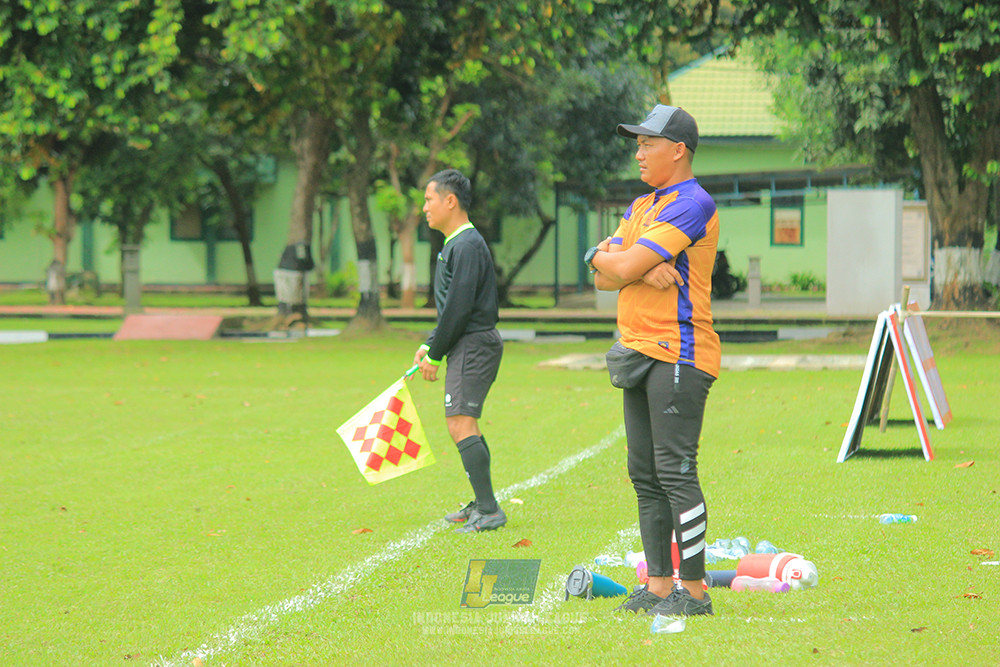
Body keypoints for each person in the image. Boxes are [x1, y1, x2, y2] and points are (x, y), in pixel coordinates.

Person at [585, 105, 721, 617]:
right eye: (637, 144)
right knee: (644, 473)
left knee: (675, 472)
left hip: (680, 352)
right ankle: (660, 586)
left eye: (648, 144)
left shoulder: (692, 202)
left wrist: (612, 259)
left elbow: (617, 263)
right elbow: (607, 276)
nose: (639, 153)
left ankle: (696, 591)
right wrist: (630, 267)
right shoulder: (642, 204)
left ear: (678, 150)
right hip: (638, 350)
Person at [413, 169, 506, 533]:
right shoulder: (457, 243)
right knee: (464, 423)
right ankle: (482, 503)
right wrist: (430, 343)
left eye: (429, 200)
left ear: (450, 201)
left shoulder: (465, 245)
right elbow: (451, 306)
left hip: (473, 344)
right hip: (469, 342)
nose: (425, 208)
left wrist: (436, 354)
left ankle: (489, 509)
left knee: (460, 423)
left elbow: (460, 308)